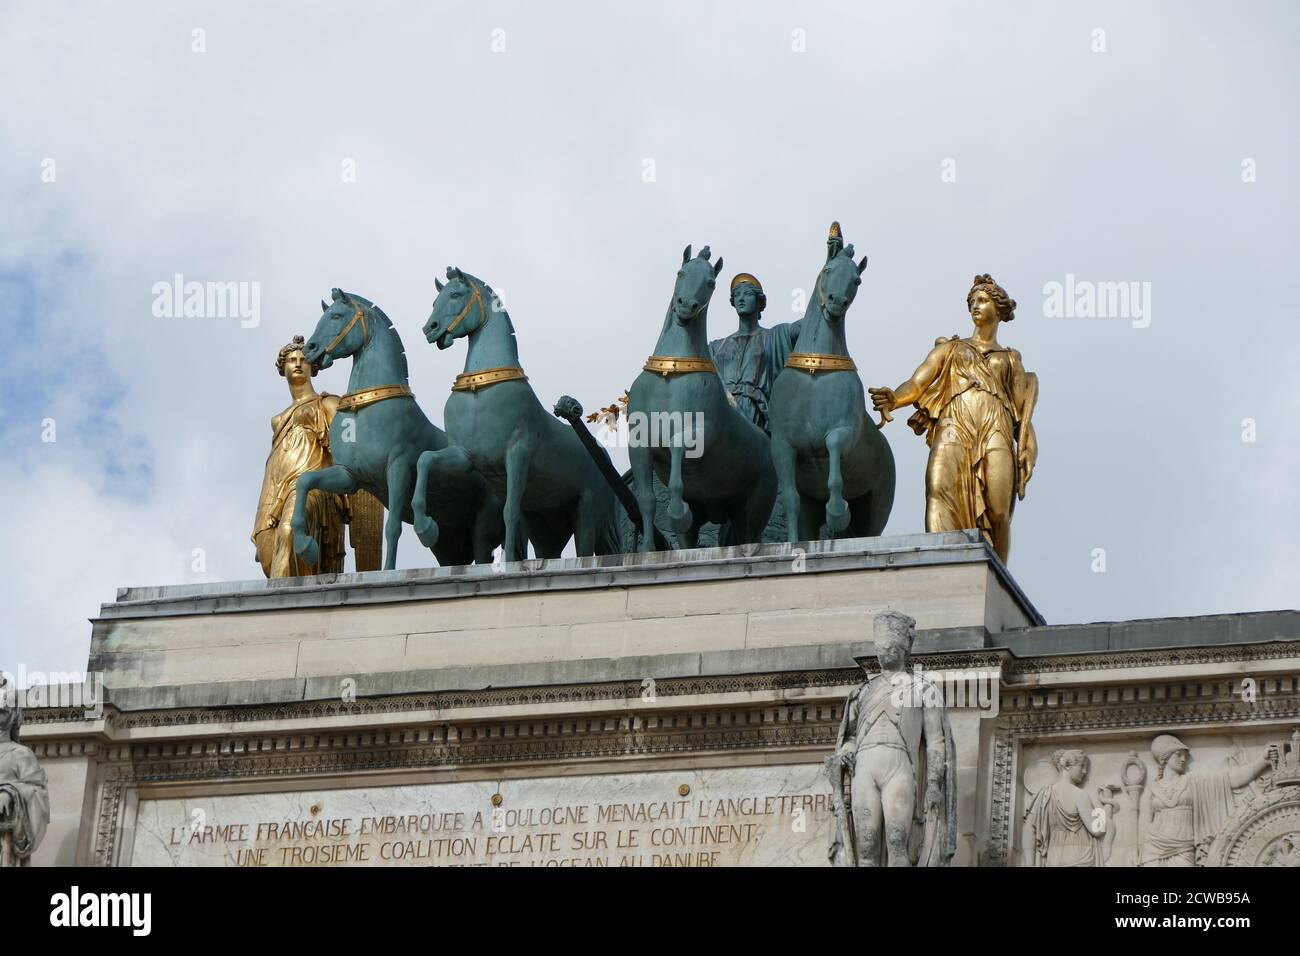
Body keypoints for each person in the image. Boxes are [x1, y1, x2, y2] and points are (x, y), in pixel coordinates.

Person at [869, 274, 1038, 563]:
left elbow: (1022, 415)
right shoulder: (950, 348)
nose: (975, 305)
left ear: (998, 309)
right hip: (954, 423)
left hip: (996, 424)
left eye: (982, 300)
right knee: (938, 488)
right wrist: (895, 399)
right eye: (972, 301)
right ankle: (940, 564)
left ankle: (997, 576)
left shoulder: (1011, 359)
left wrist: (1029, 449)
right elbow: (918, 383)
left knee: (999, 510)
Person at [828, 611, 956, 866]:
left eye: (892, 647)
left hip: (900, 767)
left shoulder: (922, 688)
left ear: (904, 649)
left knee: (898, 842)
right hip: (864, 767)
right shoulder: (862, 692)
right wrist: (846, 752)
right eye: (882, 647)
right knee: (865, 844)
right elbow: (850, 736)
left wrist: (933, 783)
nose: (886, 652)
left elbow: (936, 741)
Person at [252, 336, 347, 577]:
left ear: (313, 367)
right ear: (282, 368)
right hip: (274, 492)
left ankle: (279, 609)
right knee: (269, 556)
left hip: (311, 488)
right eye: (292, 359)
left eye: (303, 360)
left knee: (289, 531)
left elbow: (346, 454)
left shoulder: (328, 404)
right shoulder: (278, 420)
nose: (297, 364)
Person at [1141, 734, 1274, 867]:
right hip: (1153, 847)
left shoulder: (1193, 782)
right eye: (1178, 754)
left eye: (1185, 756)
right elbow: (1145, 822)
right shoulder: (1153, 788)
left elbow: (1232, 780)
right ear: (1165, 757)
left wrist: (1262, 760)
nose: (1183, 759)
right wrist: (1135, 849)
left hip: (1183, 847)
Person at [708, 273, 801, 434]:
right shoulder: (717, 347)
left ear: (759, 302)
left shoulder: (774, 336)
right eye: (737, 295)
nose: (741, 299)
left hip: (756, 414)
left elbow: (807, 325)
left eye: (748, 294)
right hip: (721, 411)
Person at [0, 678, 49, 867]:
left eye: (4, 710)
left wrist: (10, 795)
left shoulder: (20, 754)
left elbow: (38, 795)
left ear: (13, 716)